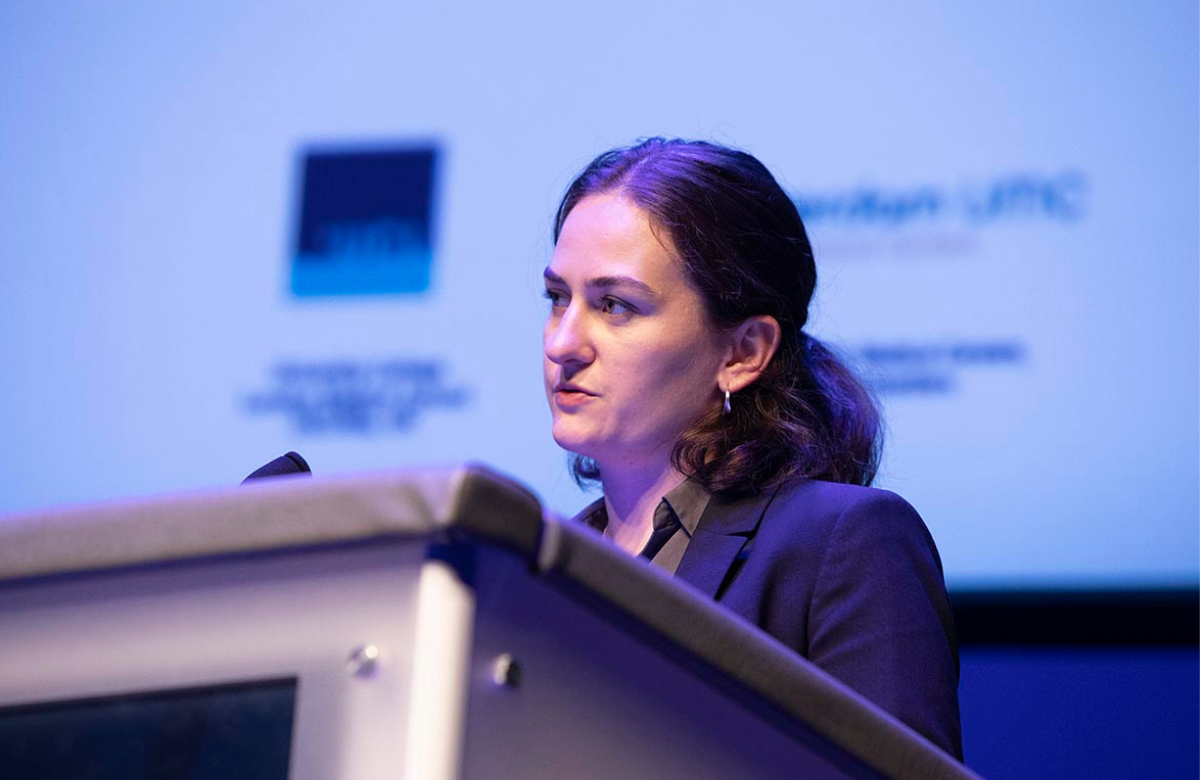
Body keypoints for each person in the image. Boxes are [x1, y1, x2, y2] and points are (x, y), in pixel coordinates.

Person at [541, 137, 963, 759]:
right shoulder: (534, 572)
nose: (564, 342)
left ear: (743, 353)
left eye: (615, 305)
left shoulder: (842, 545)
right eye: (557, 298)